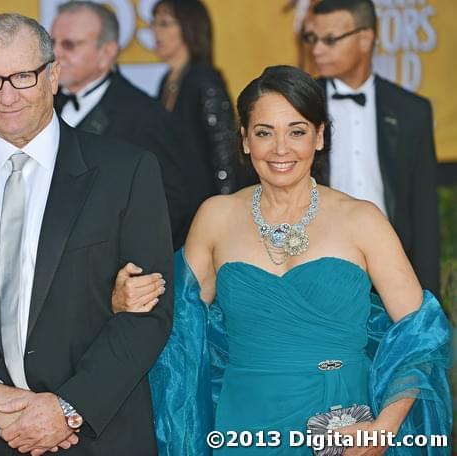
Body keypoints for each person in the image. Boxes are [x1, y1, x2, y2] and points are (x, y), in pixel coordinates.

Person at [113, 65, 451, 455]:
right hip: (243, 428)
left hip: (342, 427)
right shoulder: (216, 217)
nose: (280, 149)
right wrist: (122, 302)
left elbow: (421, 336)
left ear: (320, 136)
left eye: (297, 131)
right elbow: (173, 323)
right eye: (264, 133)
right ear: (244, 140)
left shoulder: (362, 219)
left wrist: (384, 428)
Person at [0, 13, 173, 456]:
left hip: (92, 434)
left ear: (53, 75)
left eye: (23, 76)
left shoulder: (127, 172)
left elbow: (148, 316)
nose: (7, 96)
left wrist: (66, 407)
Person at [302, 0, 440, 297]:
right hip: (317, 266)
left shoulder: (412, 111)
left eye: (330, 40)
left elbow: (424, 211)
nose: (316, 50)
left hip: (391, 267)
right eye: (313, 39)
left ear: (365, 39)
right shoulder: (300, 107)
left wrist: (430, 302)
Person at [51, 1, 190, 249]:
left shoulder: (146, 116)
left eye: (69, 44)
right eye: (52, 43)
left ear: (106, 53)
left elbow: (171, 205)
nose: (56, 53)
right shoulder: (40, 107)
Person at [151, 0, 241, 214]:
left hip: (205, 204)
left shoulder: (204, 79)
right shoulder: (166, 81)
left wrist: (225, 207)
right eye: (153, 23)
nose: (155, 31)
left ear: (188, 27)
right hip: (176, 202)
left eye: (164, 23)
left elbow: (224, 150)